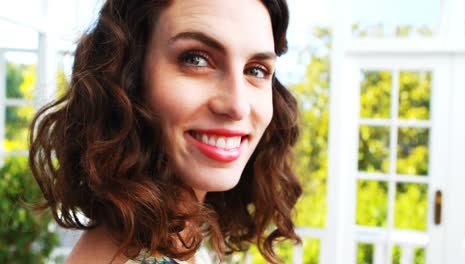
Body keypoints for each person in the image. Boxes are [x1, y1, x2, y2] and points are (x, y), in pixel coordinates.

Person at [29, 0, 302, 263]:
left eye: (256, 70)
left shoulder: (178, 237)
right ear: (128, 75)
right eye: (196, 59)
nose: (237, 105)